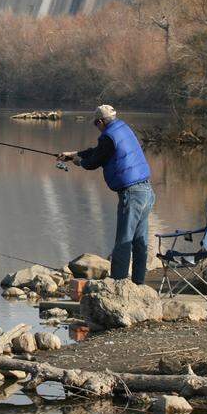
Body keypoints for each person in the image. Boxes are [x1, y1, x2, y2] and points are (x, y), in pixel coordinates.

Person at [59, 104, 155, 284]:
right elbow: (99, 151)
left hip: (132, 194)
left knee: (123, 242)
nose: (97, 127)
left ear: (101, 121)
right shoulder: (122, 129)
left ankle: (118, 284)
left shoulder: (108, 137)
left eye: (96, 124)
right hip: (147, 191)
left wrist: (79, 161)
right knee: (140, 242)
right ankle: (138, 284)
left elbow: (94, 162)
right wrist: (74, 154)